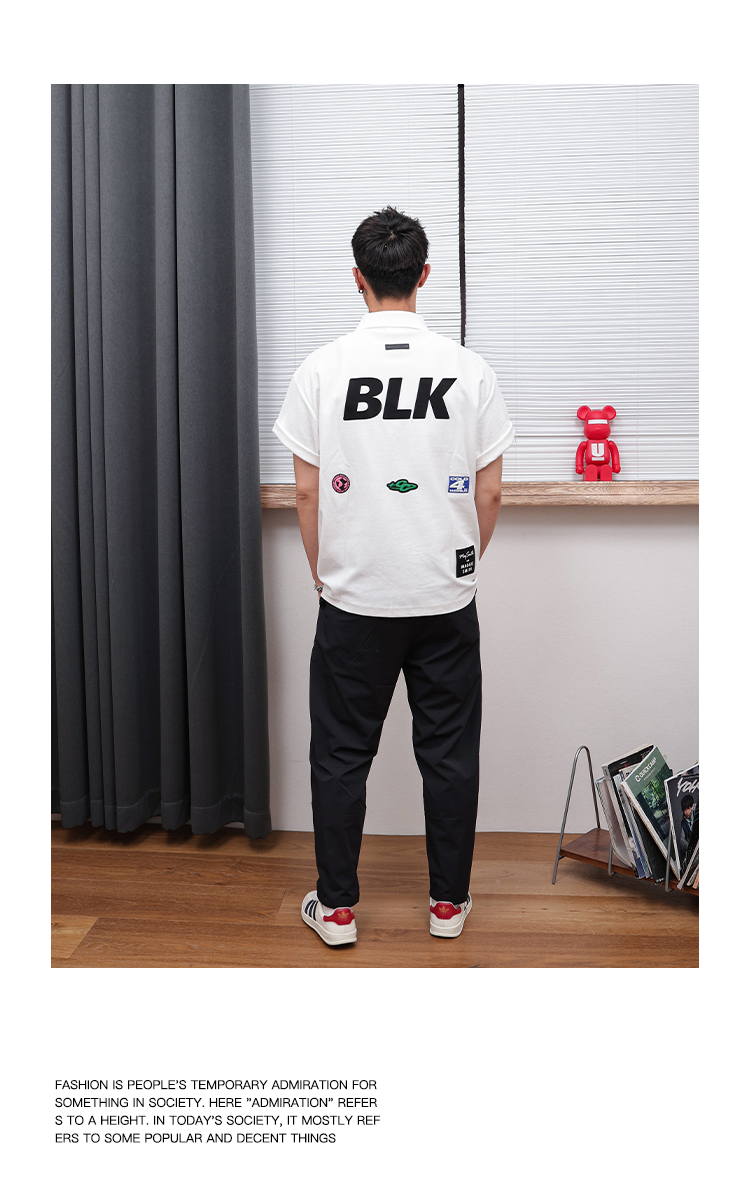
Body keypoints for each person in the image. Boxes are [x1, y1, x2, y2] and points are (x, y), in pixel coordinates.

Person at [273, 206, 514, 946]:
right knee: (449, 754)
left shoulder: (320, 369)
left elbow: (307, 493)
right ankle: (448, 905)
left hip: (354, 598)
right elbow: (489, 493)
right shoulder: (469, 371)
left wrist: (325, 574)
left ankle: (338, 910)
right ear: (425, 275)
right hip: (445, 597)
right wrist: (459, 568)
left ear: (358, 278)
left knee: (341, 754)